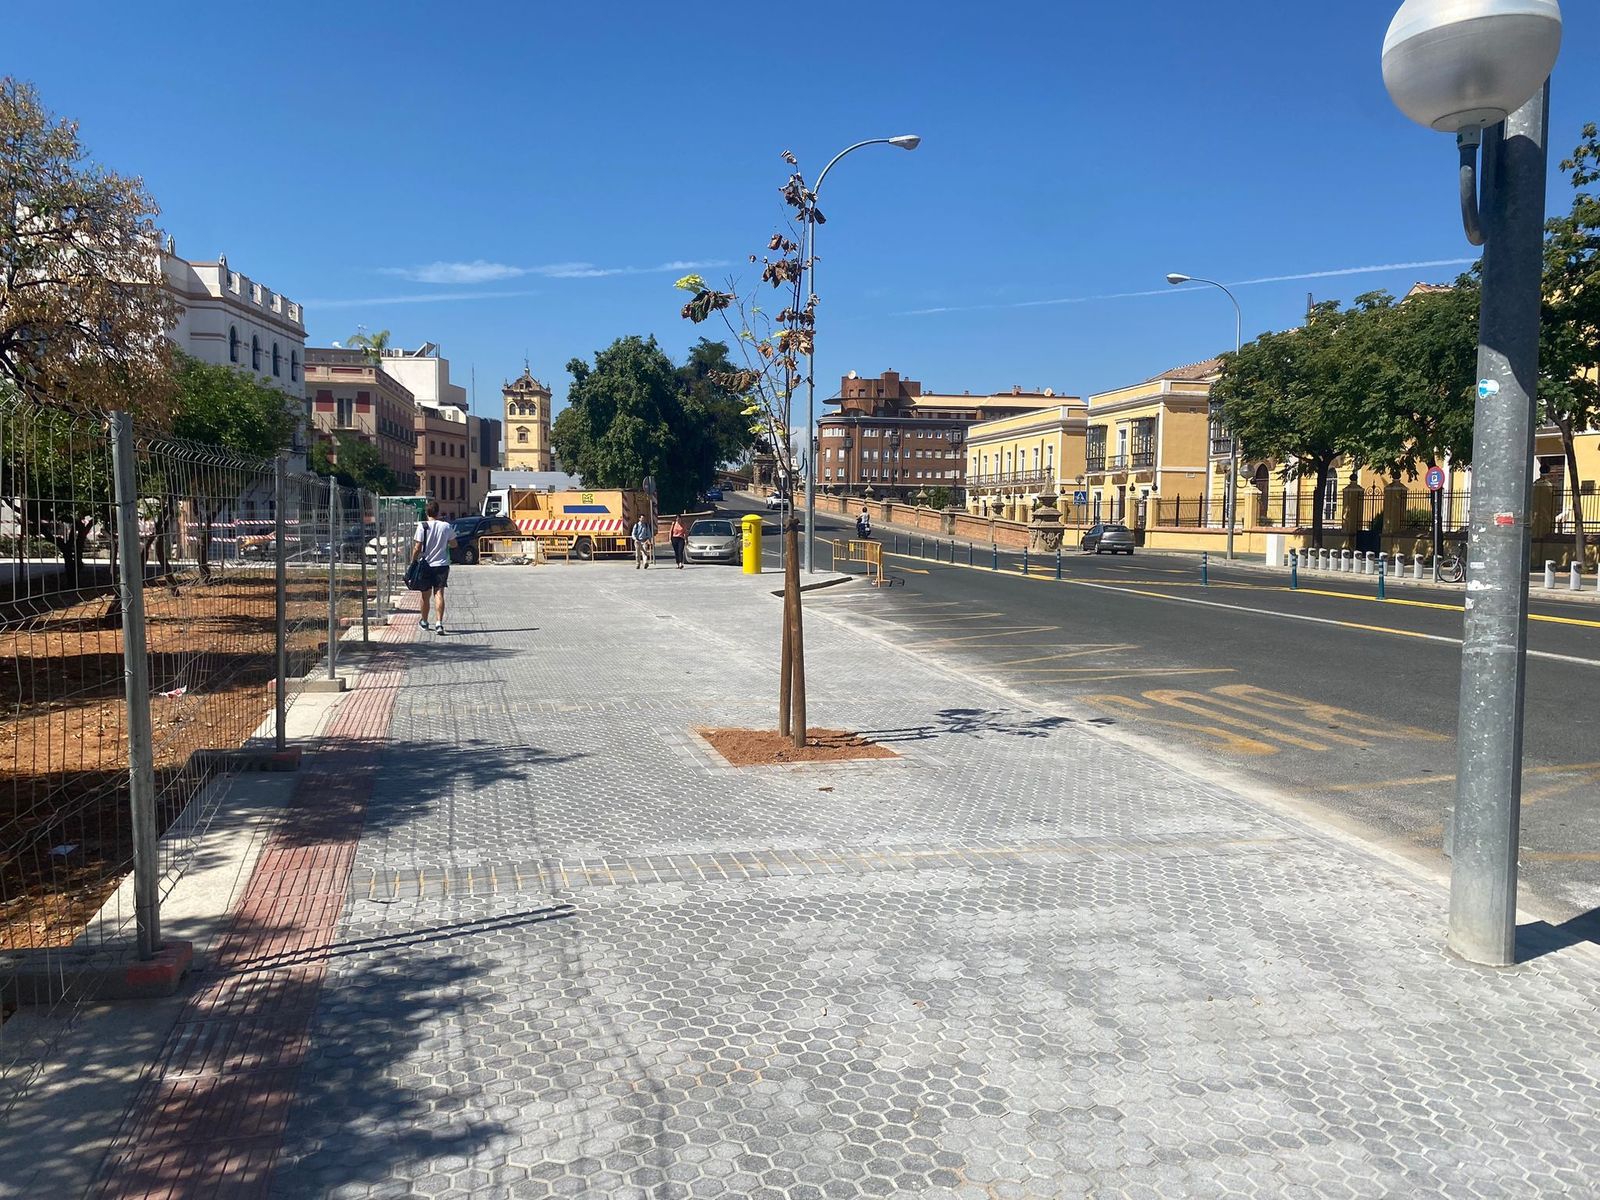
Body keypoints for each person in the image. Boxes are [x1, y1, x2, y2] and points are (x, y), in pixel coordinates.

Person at [410, 499, 457, 634]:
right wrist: (445, 544)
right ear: (438, 512)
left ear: (427, 512)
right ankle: (439, 623)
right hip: (441, 564)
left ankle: (424, 621)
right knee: (439, 593)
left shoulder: (422, 526)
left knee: (425, 595)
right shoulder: (446, 526)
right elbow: (454, 544)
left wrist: (413, 560)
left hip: (426, 564)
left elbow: (417, 547)